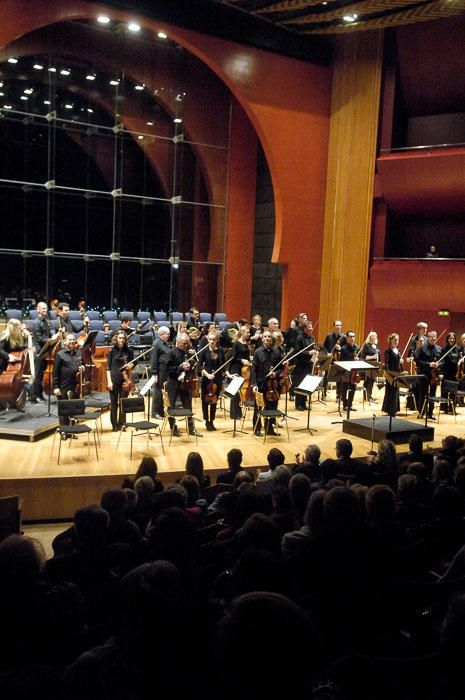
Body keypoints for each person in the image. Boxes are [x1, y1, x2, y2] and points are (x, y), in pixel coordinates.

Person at [165, 332, 202, 438]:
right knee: (171, 405)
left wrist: (191, 366)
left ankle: (191, 429)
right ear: (178, 342)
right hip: (173, 383)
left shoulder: (188, 354)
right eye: (184, 344)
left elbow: (195, 365)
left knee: (188, 405)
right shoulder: (171, 353)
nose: (186, 346)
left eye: (187, 343)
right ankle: (173, 428)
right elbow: (168, 369)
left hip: (185, 383)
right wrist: (181, 368)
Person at [252, 329, 282, 436]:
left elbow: (281, 368)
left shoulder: (276, 351)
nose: (267, 338)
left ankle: (269, 429)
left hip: (273, 385)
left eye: (269, 337)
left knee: (271, 407)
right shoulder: (257, 352)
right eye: (265, 337)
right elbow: (254, 370)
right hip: (261, 384)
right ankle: (257, 428)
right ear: (262, 338)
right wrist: (254, 384)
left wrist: (276, 374)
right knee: (258, 407)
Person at [53, 333, 85, 427]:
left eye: (73, 339)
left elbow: (82, 364)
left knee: (73, 409)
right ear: (65, 341)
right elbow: (55, 372)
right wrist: (55, 387)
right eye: (69, 340)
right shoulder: (60, 354)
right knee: (64, 410)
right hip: (63, 385)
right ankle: (64, 431)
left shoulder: (78, 353)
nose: (72, 341)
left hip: (75, 385)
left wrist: (83, 367)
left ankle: (72, 431)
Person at [106, 330, 135, 431]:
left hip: (125, 380)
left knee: (123, 402)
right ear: (116, 339)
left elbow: (133, 363)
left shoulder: (129, 351)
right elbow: (108, 368)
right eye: (120, 338)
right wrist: (109, 381)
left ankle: (121, 424)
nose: (121, 340)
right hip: (114, 379)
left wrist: (131, 365)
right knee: (114, 404)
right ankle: (114, 425)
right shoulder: (111, 351)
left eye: (123, 338)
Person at [0, 318, 29, 412]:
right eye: (19, 326)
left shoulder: (16, 335)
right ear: (14, 327)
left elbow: (18, 347)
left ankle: (11, 403)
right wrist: (8, 356)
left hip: (9, 364)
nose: (21, 327)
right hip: (2, 363)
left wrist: (28, 345)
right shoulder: (5, 336)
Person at [199, 331, 224, 431]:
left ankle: (212, 421)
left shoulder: (220, 351)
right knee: (205, 401)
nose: (211, 341)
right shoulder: (204, 351)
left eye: (213, 340)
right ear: (207, 339)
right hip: (207, 378)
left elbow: (222, 365)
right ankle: (206, 421)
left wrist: (226, 374)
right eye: (210, 339)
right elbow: (200, 366)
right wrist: (207, 374)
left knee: (214, 400)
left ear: (217, 340)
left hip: (217, 379)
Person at [415, 330, 441, 419]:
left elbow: (442, 361)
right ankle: (421, 411)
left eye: (435, 336)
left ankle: (430, 413)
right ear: (428, 338)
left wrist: (438, 364)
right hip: (424, 374)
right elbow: (417, 361)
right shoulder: (421, 348)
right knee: (423, 393)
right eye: (431, 336)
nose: (433, 338)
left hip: (434, 375)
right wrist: (428, 364)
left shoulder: (439, 349)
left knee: (433, 394)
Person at [292, 320, 317, 411]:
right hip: (301, 365)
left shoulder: (312, 338)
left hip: (309, 365)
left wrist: (315, 353)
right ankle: (298, 404)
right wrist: (308, 352)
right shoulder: (299, 338)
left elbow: (314, 348)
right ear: (305, 329)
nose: (311, 328)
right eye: (309, 327)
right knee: (300, 384)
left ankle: (304, 403)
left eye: (311, 327)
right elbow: (297, 352)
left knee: (306, 384)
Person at [29, 301, 51, 403]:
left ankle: (40, 394)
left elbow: (47, 336)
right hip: (38, 351)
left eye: (46, 308)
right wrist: (50, 340)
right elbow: (39, 339)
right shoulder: (36, 322)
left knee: (41, 374)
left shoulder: (46, 322)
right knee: (37, 375)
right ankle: (34, 397)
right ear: (38, 310)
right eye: (43, 308)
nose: (45, 310)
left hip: (44, 351)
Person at [228, 324, 252, 419]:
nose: (249, 334)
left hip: (244, 370)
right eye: (247, 332)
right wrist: (241, 360)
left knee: (240, 392)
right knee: (235, 392)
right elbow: (232, 357)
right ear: (241, 333)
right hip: (235, 368)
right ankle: (234, 414)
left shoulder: (247, 344)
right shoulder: (236, 344)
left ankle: (238, 412)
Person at [150, 325, 171, 419]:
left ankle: (161, 411)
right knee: (158, 392)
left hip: (165, 370)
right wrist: (154, 373)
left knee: (163, 391)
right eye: (168, 334)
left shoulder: (164, 343)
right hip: (160, 371)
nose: (169, 335)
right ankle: (155, 412)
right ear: (162, 334)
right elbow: (154, 359)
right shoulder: (157, 343)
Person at [382, 332, 403, 416]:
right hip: (390, 374)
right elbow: (387, 363)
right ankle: (389, 410)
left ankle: (394, 410)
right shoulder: (388, 351)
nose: (397, 341)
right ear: (391, 341)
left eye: (398, 340)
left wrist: (401, 362)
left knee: (396, 392)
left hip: (397, 374)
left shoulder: (398, 350)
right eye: (395, 340)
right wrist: (388, 373)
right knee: (390, 392)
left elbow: (400, 365)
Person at [440, 332, 460, 411]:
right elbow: (442, 362)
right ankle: (444, 407)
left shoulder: (458, 349)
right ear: (447, 339)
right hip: (446, 372)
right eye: (450, 338)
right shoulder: (444, 349)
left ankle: (452, 408)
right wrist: (441, 373)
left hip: (455, 373)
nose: (452, 340)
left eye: (453, 338)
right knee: (445, 391)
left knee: (453, 392)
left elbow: (458, 360)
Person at [340, 330, 359, 412]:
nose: (352, 338)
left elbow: (361, 358)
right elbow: (343, 360)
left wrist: (358, 359)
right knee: (344, 389)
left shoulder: (357, 347)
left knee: (353, 388)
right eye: (350, 336)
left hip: (354, 372)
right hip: (346, 372)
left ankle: (350, 404)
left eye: (353, 336)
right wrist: (352, 358)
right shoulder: (344, 348)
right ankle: (345, 405)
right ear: (347, 338)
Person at [361, 330, 381, 403]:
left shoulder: (376, 346)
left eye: (375, 336)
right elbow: (363, 357)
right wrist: (372, 356)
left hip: (375, 365)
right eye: (372, 336)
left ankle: (370, 395)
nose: (374, 337)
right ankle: (366, 396)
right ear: (370, 337)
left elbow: (379, 356)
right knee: (368, 381)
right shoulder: (367, 346)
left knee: (372, 381)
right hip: (368, 365)